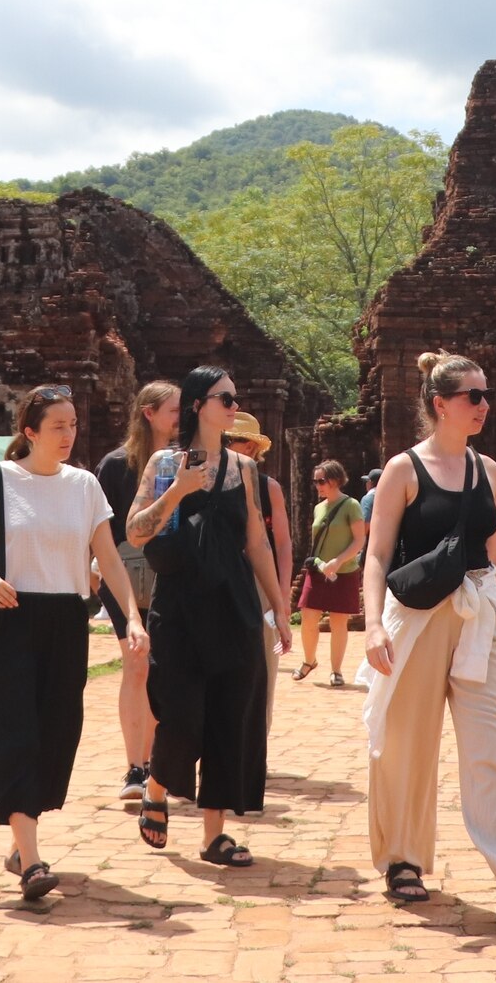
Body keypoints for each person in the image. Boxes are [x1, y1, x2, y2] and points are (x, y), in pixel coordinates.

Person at [360, 352, 496, 925]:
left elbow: (493, 554)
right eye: (473, 396)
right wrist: (373, 624)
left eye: (486, 394)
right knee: (406, 744)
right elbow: (376, 556)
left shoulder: (489, 472)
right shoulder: (403, 470)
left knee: (486, 747)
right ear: (439, 404)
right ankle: (403, 859)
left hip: (480, 617)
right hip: (417, 618)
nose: (484, 404)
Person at [0, 384, 148, 904]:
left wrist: (131, 618)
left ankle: (21, 840)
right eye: (58, 426)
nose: (69, 434)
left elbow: (106, 555)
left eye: (74, 424)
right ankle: (33, 862)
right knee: (15, 733)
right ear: (30, 431)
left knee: (58, 732)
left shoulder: (83, 485)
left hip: (65, 619)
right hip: (9, 616)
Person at [125, 366, 291, 867]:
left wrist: (280, 609)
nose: (234, 406)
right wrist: (177, 489)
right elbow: (136, 532)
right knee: (181, 716)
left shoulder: (244, 471)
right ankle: (156, 786)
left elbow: (256, 543)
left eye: (235, 398)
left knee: (229, 715)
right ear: (198, 404)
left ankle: (215, 834)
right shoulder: (162, 462)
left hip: (234, 604)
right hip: (179, 609)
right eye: (225, 398)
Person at [94, 381, 180, 805]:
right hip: (125, 574)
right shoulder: (116, 465)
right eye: (173, 410)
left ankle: (162, 765)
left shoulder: (186, 463)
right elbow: (102, 534)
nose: (180, 418)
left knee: (167, 672)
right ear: (149, 413)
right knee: (136, 664)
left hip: (174, 573)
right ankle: (136, 765)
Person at [228, 412, 291, 702]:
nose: (225, 446)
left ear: (251, 448)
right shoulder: (204, 481)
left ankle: (256, 737)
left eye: (233, 441)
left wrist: (282, 598)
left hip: (259, 581)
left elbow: (282, 545)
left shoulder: (269, 488)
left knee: (263, 661)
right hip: (220, 576)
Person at [295, 459, 367, 686]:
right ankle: (309, 661)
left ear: (335, 480)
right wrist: (323, 563)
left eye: (322, 481)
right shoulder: (318, 508)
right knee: (308, 617)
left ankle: (336, 670)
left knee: (338, 622)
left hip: (343, 571)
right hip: (318, 570)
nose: (318, 485)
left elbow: (359, 540)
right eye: (315, 481)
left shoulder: (351, 505)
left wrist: (338, 561)